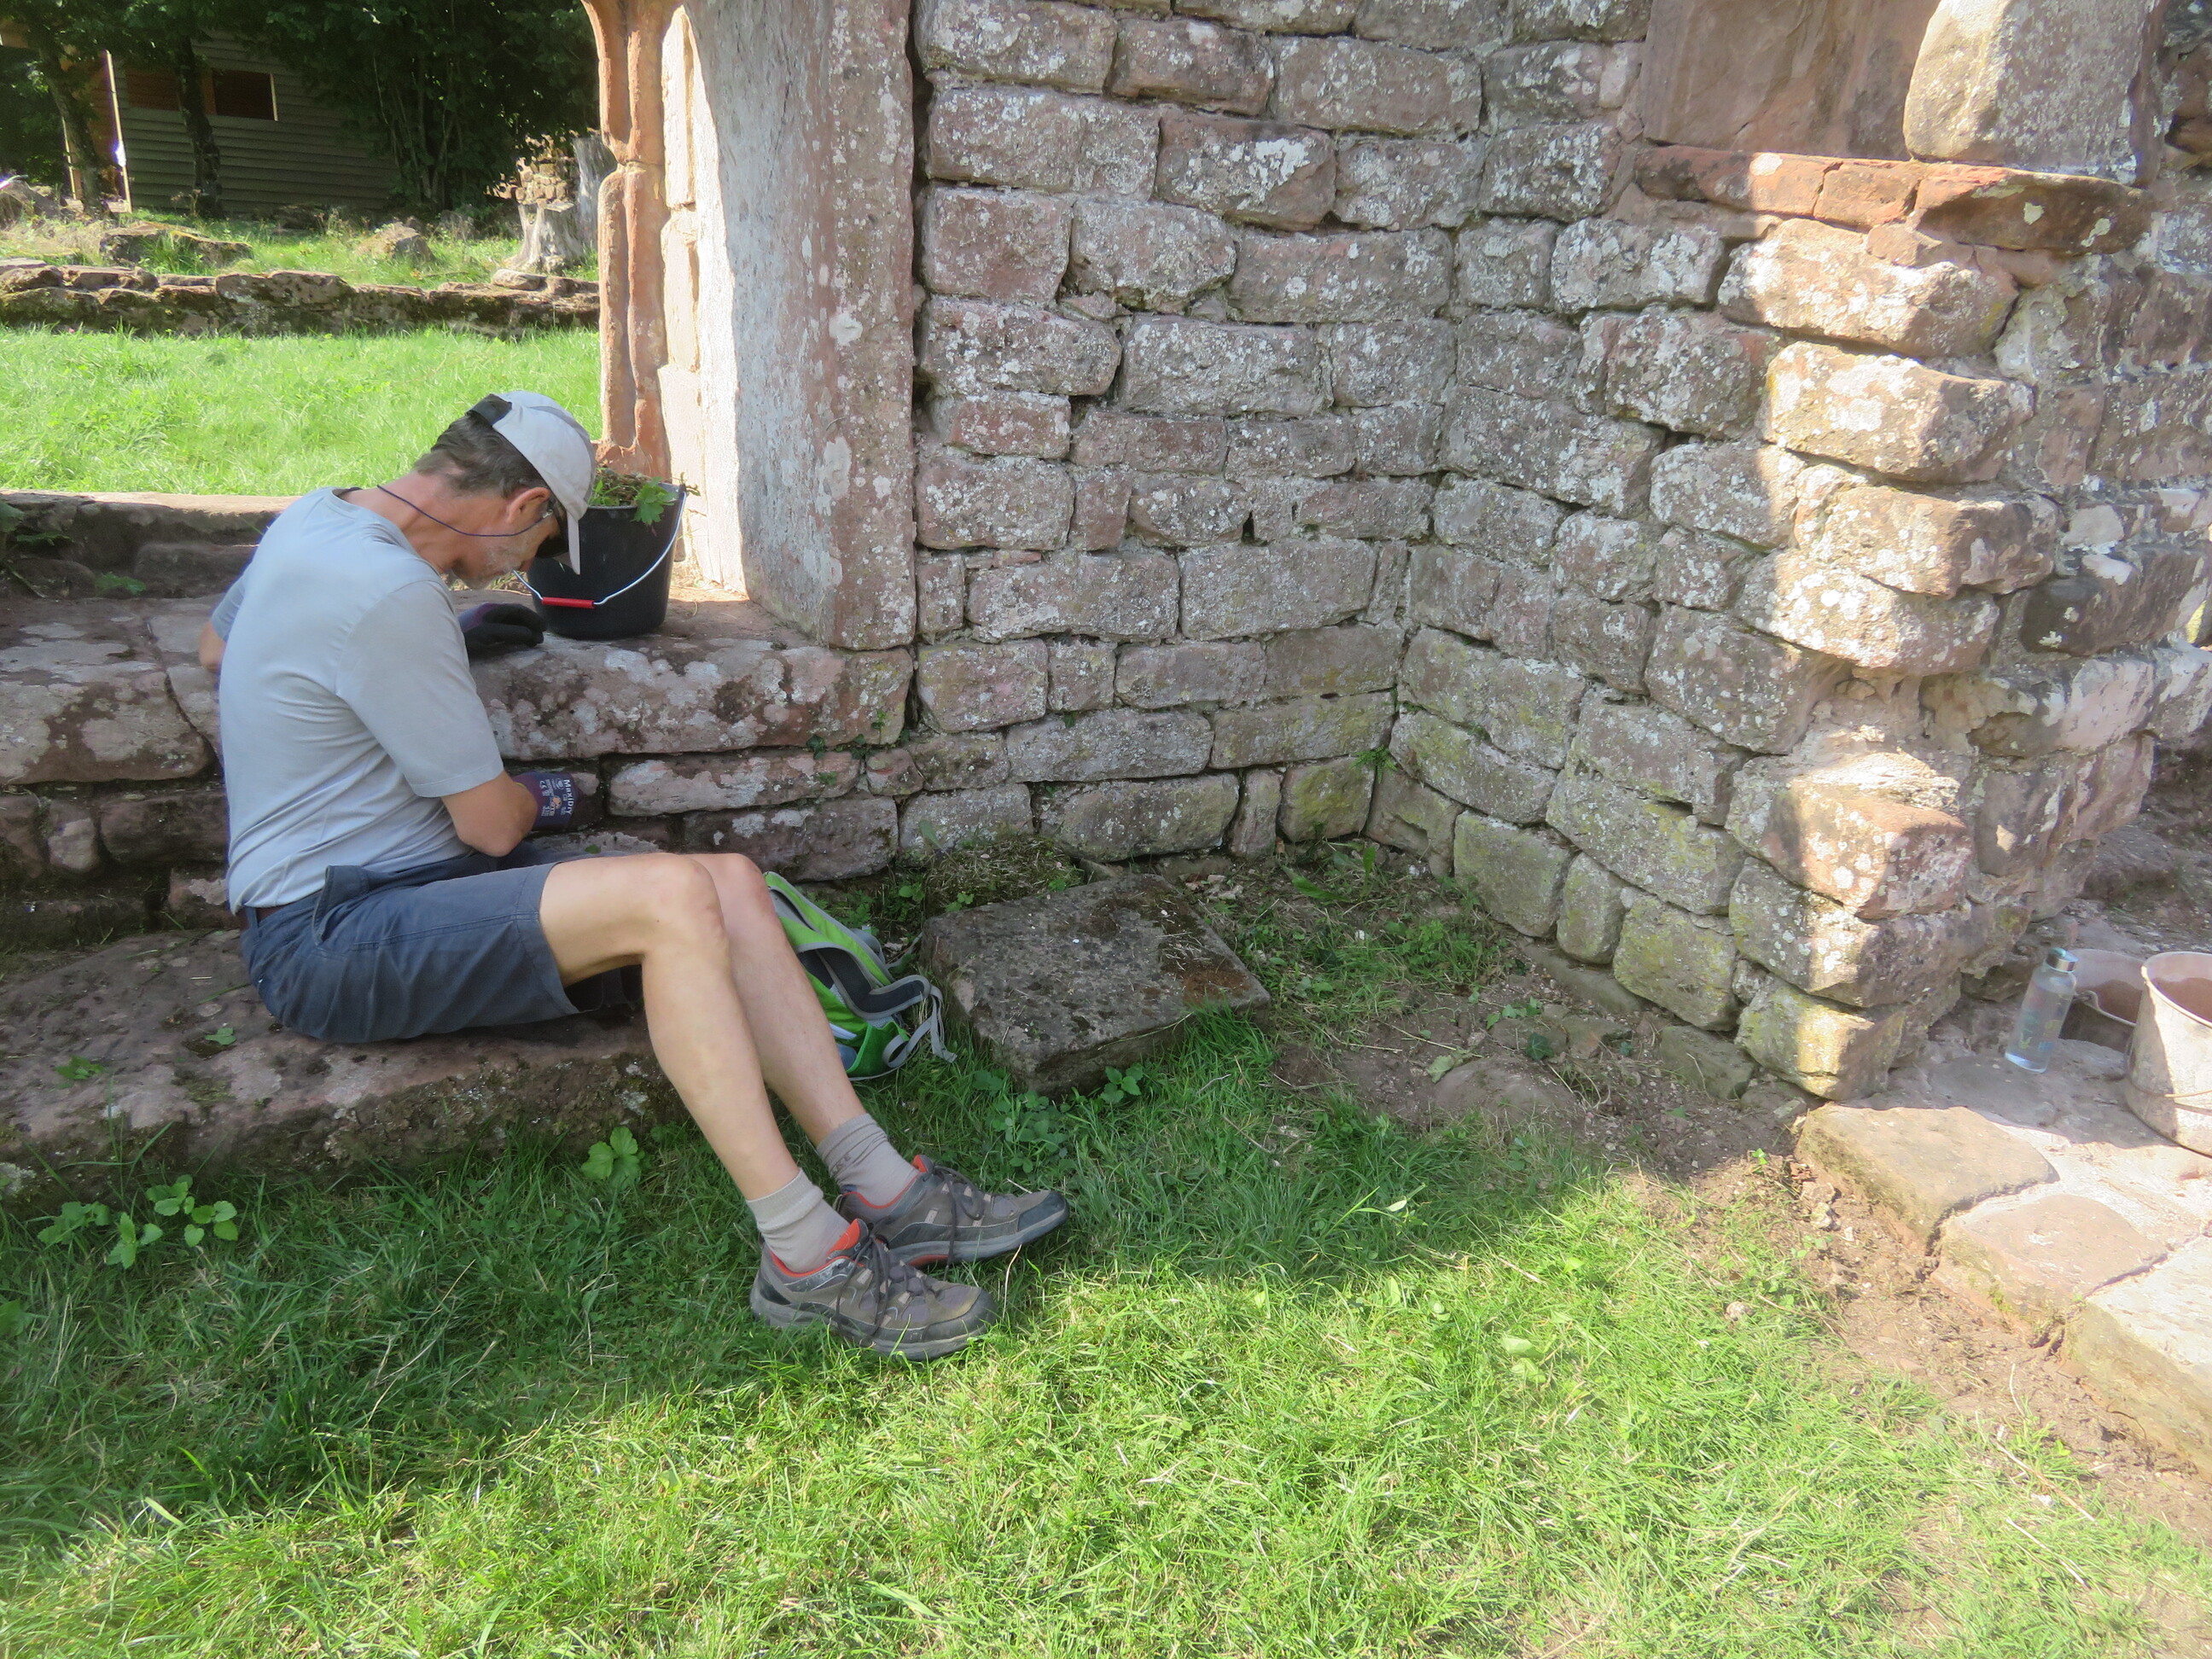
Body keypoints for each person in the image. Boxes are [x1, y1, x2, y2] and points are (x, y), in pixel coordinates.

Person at [198, 391, 1063, 1359]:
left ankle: (886, 1186)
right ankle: (805, 1254)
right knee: (671, 898)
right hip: (328, 934)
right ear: (525, 506)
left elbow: (216, 648)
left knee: (729, 882)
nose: (526, 569)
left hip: (399, 888)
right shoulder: (392, 595)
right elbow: (493, 825)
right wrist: (531, 780)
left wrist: (401, 667)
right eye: (540, 546)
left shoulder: (317, 517)